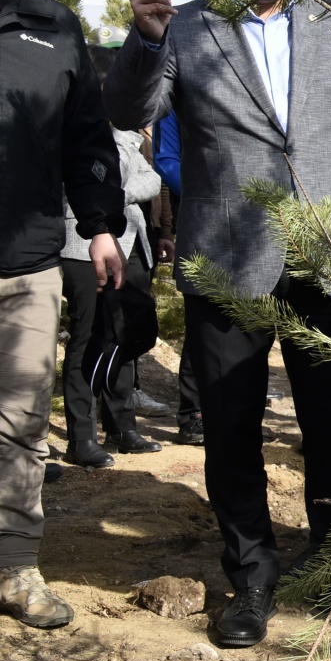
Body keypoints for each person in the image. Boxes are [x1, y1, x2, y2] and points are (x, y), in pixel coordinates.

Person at [105, 0, 331, 649]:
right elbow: (130, 109)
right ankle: (253, 574)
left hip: (328, 264)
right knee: (231, 431)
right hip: (227, 265)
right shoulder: (187, 30)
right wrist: (142, 37)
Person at [0, 0, 126, 629]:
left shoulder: (53, 26)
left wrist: (100, 225)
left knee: (19, 419)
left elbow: (87, 139)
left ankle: (11, 566)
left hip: (26, 259)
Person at [60, 43, 165, 469]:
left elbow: (153, 180)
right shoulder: (67, 131)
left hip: (130, 245)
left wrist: (111, 191)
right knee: (85, 340)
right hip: (79, 245)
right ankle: (80, 436)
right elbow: (73, 184)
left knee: (123, 337)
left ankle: (122, 426)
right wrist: (108, 192)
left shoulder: (125, 135)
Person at [150, 110, 203, 445]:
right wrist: (215, 191)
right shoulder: (175, 97)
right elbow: (166, 161)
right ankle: (193, 415)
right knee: (203, 324)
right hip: (203, 222)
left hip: (266, 225)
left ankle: (243, 413)